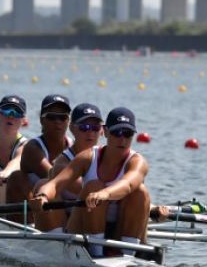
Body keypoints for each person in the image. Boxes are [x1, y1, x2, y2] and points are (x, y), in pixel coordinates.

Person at [43, 106, 150, 256]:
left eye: (127, 134)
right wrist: (43, 196)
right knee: (94, 186)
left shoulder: (138, 162)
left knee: (140, 191)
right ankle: (96, 253)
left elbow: (128, 184)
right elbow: (55, 184)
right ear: (105, 132)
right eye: (116, 132)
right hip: (83, 227)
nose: (122, 139)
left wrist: (105, 194)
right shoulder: (87, 157)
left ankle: (129, 255)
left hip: (117, 231)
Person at [27, 102, 102, 231]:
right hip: (67, 225)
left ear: (102, 131)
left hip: (98, 218)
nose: (90, 133)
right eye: (84, 127)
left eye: (95, 128)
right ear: (72, 129)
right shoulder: (62, 164)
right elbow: (89, 191)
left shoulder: (108, 157)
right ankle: (56, 243)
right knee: (42, 184)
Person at [4, 94, 73, 218]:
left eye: (62, 117)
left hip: (62, 208)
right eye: (51, 117)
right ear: (42, 120)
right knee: (18, 177)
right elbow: (55, 178)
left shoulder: (74, 146)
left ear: (69, 121)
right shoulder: (33, 148)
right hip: (33, 214)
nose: (57, 122)